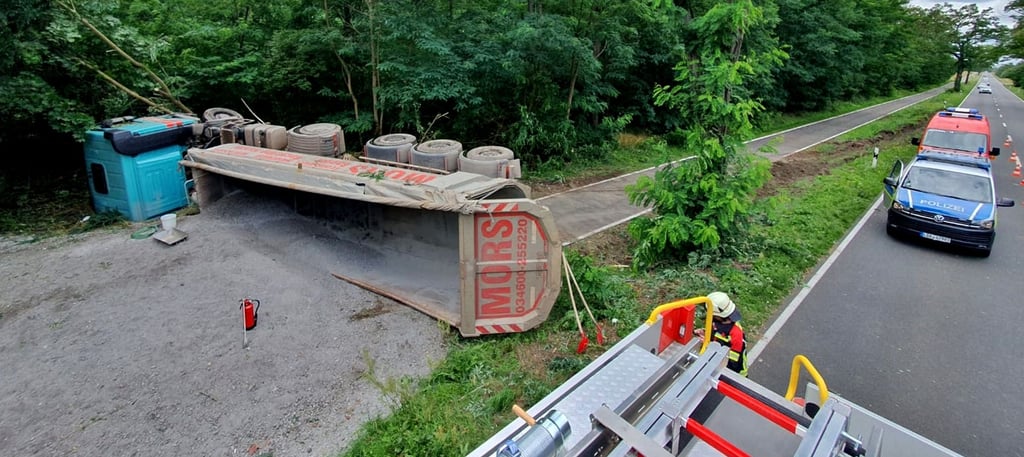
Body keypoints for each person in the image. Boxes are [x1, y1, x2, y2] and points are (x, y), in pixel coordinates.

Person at [694, 291, 749, 376]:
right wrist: (705, 332)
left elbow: (733, 362)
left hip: (733, 374)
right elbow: (716, 334)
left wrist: (709, 347)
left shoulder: (736, 334)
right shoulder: (717, 321)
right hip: (716, 366)